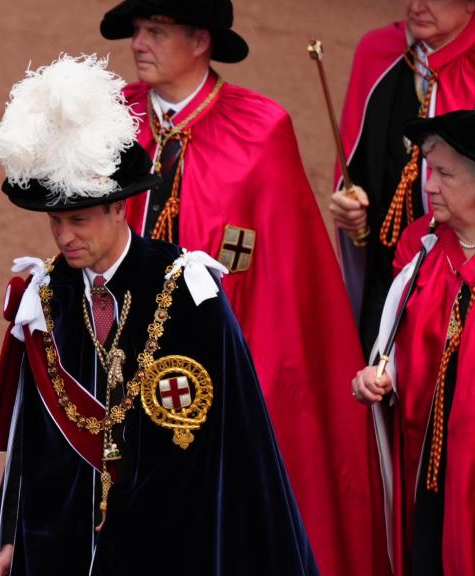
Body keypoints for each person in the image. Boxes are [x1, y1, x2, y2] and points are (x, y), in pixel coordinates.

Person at [0, 54, 317, 576]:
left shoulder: (187, 290)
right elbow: (30, 438)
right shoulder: (45, 293)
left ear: (119, 208)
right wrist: (11, 535)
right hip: (63, 543)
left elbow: (232, 445)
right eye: (56, 221)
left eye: (80, 220)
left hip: (169, 541)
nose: (65, 237)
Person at [97, 2, 385, 574]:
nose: (138, 43)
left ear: (200, 40)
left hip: (222, 364)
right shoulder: (113, 118)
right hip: (122, 361)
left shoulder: (261, 129)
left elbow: (288, 280)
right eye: (136, 31)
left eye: (155, 31)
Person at [352, 110, 475, 576]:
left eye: (445, 173)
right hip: (428, 461)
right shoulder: (421, 248)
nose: (430, 185)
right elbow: (400, 340)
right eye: (430, 169)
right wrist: (377, 377)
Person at [332, 0, 475, 356]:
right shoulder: (378, 52)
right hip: (387, 266)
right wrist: (352, 208)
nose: (417, 5)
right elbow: (356, 160)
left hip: (460, 274)